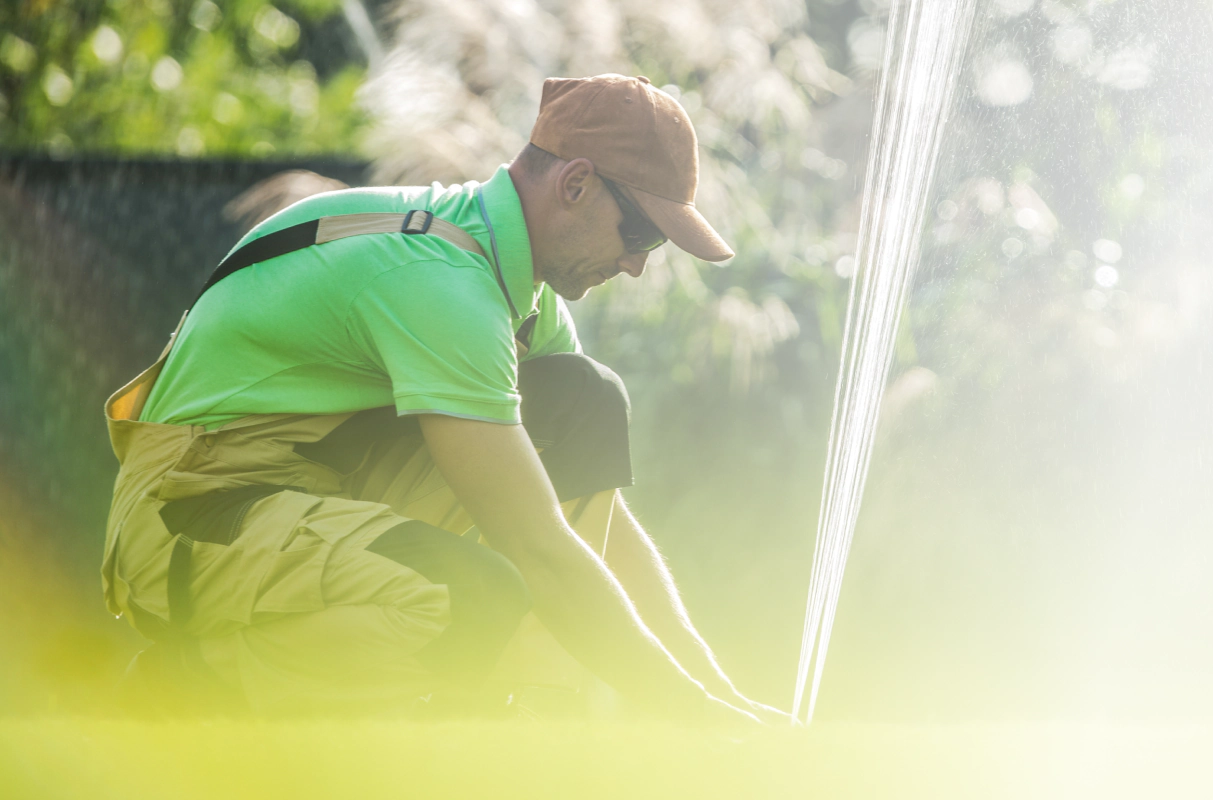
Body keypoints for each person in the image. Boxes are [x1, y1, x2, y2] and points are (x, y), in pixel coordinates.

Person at [101, 74, 781, 724]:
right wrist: (685, 712)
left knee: (583, 401)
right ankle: (186, 683)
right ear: (575, 184)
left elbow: (592, 513)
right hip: (190, 515)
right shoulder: (440, 282)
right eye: (642, 236)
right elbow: (539, 544)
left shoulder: (512, 288)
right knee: (467, 601)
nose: (638, 264)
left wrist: (717, 695)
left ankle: (532, 714)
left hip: (309, 487)